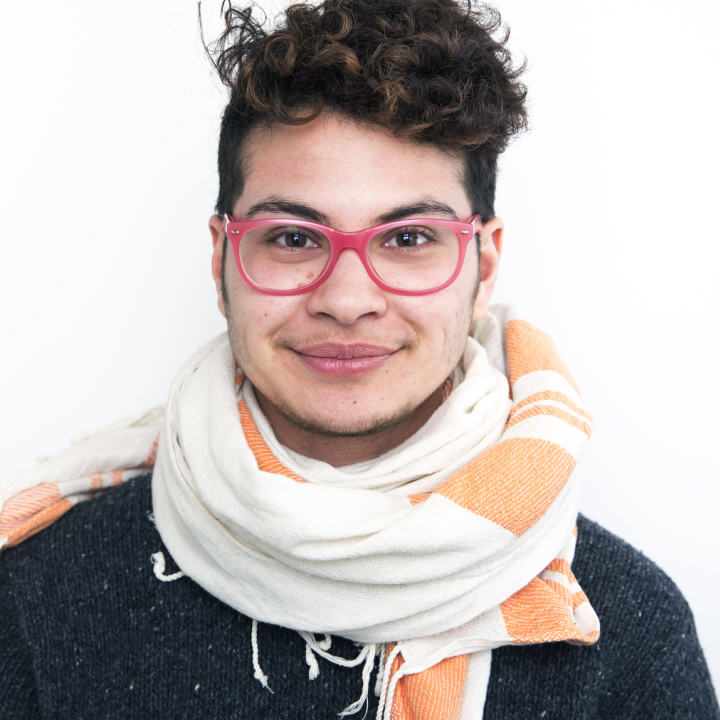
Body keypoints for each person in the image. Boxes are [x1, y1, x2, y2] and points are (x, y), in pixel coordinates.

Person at [1, 0, 717, 718]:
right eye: (292, 238)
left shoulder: (624, 631)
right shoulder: (42, 592)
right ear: (223, 258)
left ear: (484, 266)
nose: (348, 299)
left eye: (407, 240)